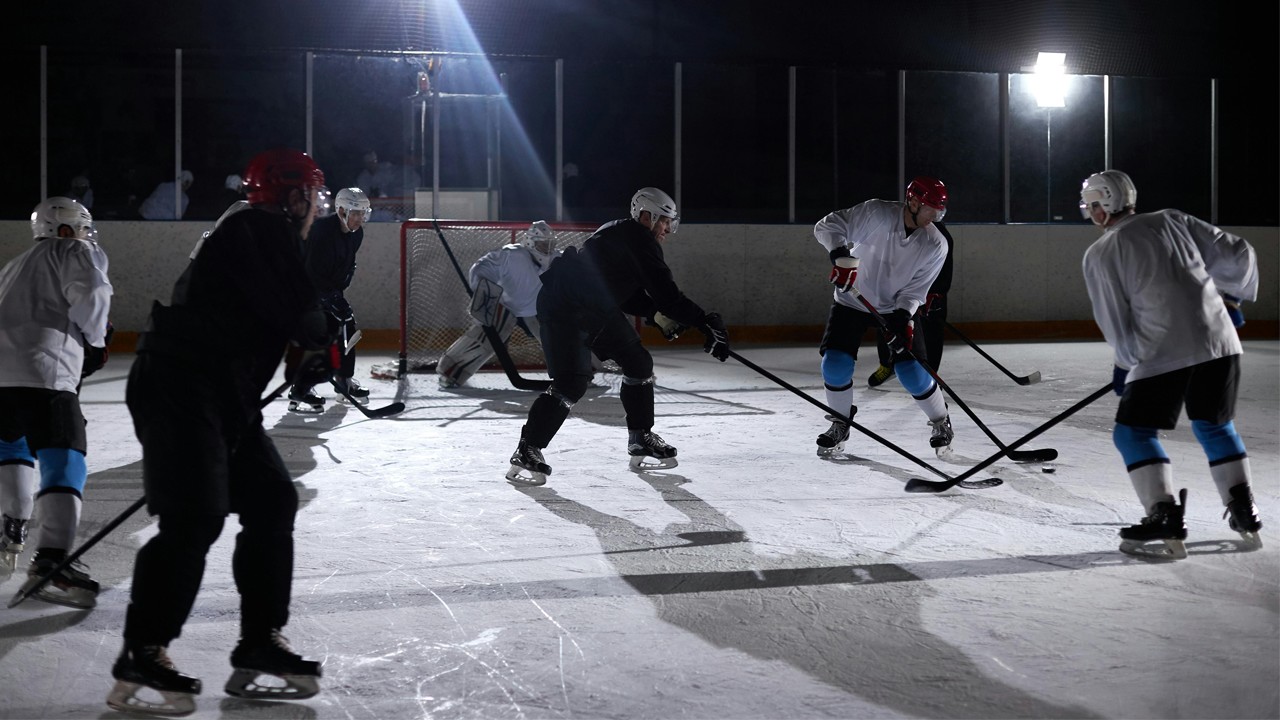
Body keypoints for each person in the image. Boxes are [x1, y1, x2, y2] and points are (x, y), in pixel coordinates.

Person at [108, 149, 332, 716]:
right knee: (195, 518)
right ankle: (143, 650)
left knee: (272, 499)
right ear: (293, 196)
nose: (316, 206)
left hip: (218, 394)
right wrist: (317, 342)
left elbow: (276, 315)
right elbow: (300, 313)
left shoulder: (256, 231)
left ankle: (260, 641)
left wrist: (303, 353)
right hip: (183, 389)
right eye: (311, 193)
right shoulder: (259, 227)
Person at [1080, 169, 1261, 559]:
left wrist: (1126, 364)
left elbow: (1115, 320)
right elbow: (1239, 252)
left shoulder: (1102, 252)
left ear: (1105, 204)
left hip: (1165, 351)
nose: (1090, 212)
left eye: (1093, 204)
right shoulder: (1171, 219)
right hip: (1220, 343)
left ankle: (1163, 515)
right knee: (1215, 426)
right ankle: (1244, 508)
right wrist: (1230, 301)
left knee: (1133, 434)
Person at [505, 188, 730, 486]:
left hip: (594, 308)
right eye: (663, 221)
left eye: (669, 223)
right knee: (571, 382)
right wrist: (705, 321)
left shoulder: (622, 234)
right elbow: (667, 294)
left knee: (638, 363)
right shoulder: (638, 239)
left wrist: (654, 314)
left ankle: (640, 437)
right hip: (564, 308)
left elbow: (623, 291)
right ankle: (527, 448)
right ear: (646, 216)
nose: (666, 229)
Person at [0, 197, 113, 606]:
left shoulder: (15, 264)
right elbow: (92, 293)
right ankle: (52, 561)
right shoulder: (76, 250)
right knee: (64, 452)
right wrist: (96, 340)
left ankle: (12, 525)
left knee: (12, 445)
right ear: (68, 228)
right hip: (44, 371)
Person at [810, 176, 953, 457]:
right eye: (930, 208)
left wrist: (903, 316)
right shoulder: (877, 213)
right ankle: (840, 422)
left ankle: (941, 421)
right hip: (852, 299)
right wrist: (840, 256)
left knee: (911, 372)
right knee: (835, 364)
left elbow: (916, 289)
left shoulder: (936, 244)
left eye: (940, 211)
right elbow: (827, 226)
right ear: (912, 202)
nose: (935, 216)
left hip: (893, 308)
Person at [438, 221, 559, 388]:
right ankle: (449, 371)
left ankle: (578, 374)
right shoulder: (512, 254)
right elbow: (482, 266)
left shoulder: (556, 259)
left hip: (535, 311)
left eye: (550, 244)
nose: (547, 248)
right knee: (483, 341)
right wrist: (483, 288)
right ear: (530, 242)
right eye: (543, 244)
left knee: (558, 339)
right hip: (505, 307)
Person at [289, 187, 372, 413]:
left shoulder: (357, 234)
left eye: (362, 213)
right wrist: (329, 298)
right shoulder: (321, 231)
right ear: (341, 210)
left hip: (329, 289)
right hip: (305, 290)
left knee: (347, 329)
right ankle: (300, 388)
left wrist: (336, 294)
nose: (359, 218)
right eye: (355, 213)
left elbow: (345, 264)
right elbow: (311, 272)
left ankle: (344, 381)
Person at [867, 217, 953, 386]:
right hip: (898, 292)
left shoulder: (940, 237)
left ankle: (931, 375)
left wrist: (935, 294)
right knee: (887, 327)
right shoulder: (897, 229)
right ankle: (887, 365)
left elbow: (944, 271)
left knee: (932, 333)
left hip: (929, 294)